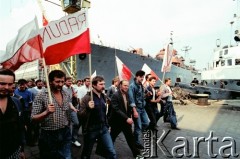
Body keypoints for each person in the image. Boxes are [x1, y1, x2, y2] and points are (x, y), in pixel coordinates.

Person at [31, 70, 73, 159]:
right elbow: (33, 118)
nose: (60, 84)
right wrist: (46, 112)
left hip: (65, 132)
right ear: (50, 82)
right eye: (57, 82)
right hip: (48, 135)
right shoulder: (41, 95)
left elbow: (67, 112)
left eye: (62, 81)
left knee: (67, 157)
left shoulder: (65, 94)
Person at [79, 76, 117, 159]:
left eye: (104, 84)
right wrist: (88, 108)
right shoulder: (87, 98)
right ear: (94, 85)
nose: (103, 86)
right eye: (100, 84)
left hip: (103, 128)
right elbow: (80, 115)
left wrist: (107, 125)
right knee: (86, 153)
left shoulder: (103, 96)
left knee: (111, 151)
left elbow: (104, 112)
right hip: (91, 129)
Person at [109, 80, 143, 158]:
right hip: (116, 122)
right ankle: (108, 152)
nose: (126, 87)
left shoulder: (127, 94)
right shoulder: (115, 95)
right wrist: (126, 118)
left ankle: (136, 153)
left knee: (130, 138)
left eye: (127, 86)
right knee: (112, 138)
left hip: (125, 122)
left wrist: (132, 113)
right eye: (124, 85)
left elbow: (128, 106)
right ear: (120, 85)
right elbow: (116, 109)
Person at [0, 68, 25, 159]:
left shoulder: (16, 102)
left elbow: (20, 127)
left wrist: (21, 149)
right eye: (2, 83)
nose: (6, 87)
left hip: (13, 152)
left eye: (10, 84)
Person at [128, 70, 149, 149]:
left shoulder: (141, 85)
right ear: (136, 76)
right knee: (138, 126)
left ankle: (136, 134)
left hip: (142, 108)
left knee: (146, 123)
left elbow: (141, 97)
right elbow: (131, 99)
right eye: (141, 77)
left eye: (143, 77)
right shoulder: (132, 86)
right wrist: (134, 111)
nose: (142, 79)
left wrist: (146, 95)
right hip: (136, 109)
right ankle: (136, 142)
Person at [63, 76, 81, 147]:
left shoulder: (73, 88)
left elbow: (73, 98)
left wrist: (75, 96)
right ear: (65, 81)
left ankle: (74, 139)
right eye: (68, 81)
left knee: (76, 123)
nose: (70, 82)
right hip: (64, 109)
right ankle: (67, 140)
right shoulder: (62, 89)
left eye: (71, 81)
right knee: (66, 125)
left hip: (72, 108)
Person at [14, 79, 34, 146]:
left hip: (26, 111)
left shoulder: (29, 92)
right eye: (20, 85)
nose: (22, 86)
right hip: (17, 112)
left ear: (26, 84)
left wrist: (31, 112)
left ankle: (30, 141)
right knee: (19, 127)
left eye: (23, 85)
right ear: (18, 85)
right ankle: (20, 143)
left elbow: (30, 103)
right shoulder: (15, 91)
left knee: (29, 127)